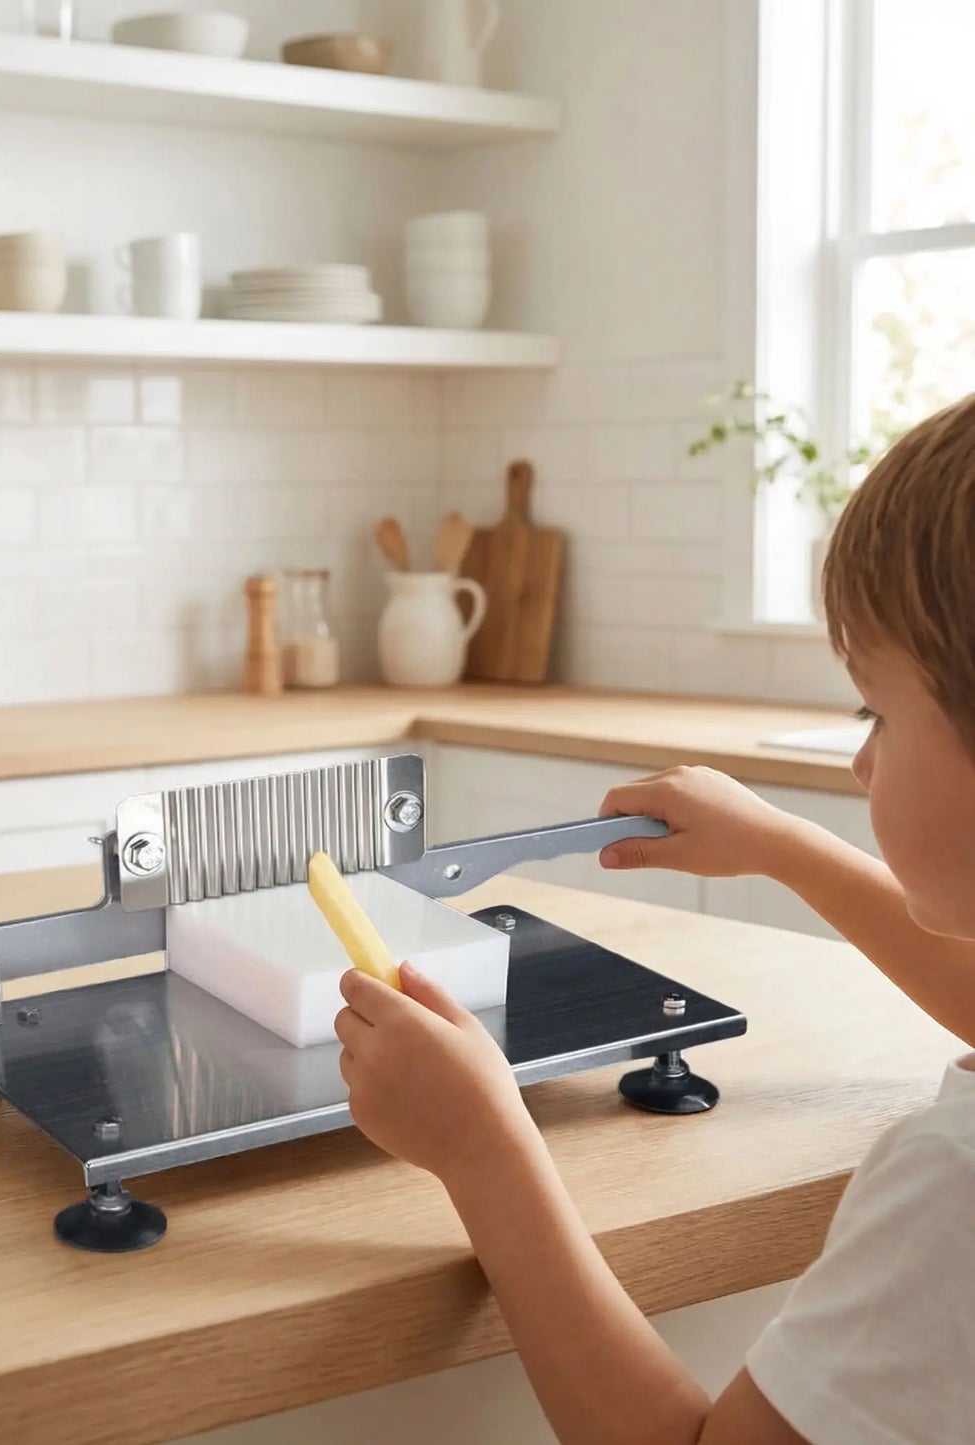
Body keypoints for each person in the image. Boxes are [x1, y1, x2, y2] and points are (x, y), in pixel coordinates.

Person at [335, 394, 975, 1444]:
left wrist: (483, 1149)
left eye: (876, 712)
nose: (860, 760)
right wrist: (778, 841)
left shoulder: (950, 1196)